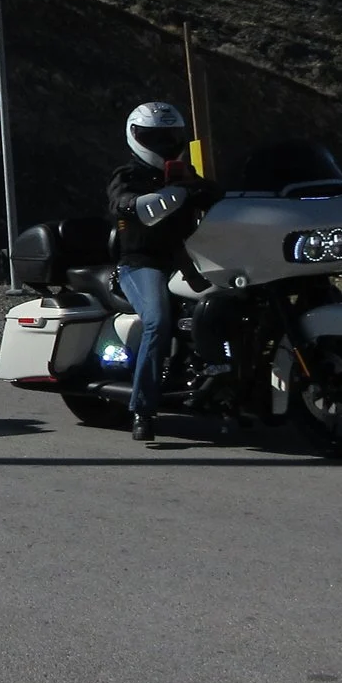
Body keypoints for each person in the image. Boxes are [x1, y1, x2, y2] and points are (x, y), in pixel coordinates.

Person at [105, 103, 215, 442]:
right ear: (136, 137)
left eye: (169, 136)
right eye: (154, 137)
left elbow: (217, 196)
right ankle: (143, 409)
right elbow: (126, 203)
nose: (163, 143)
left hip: (187, 260)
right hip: (140, 263)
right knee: (156, 320)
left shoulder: (185, 174)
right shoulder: (127, 176)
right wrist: (180, 192)